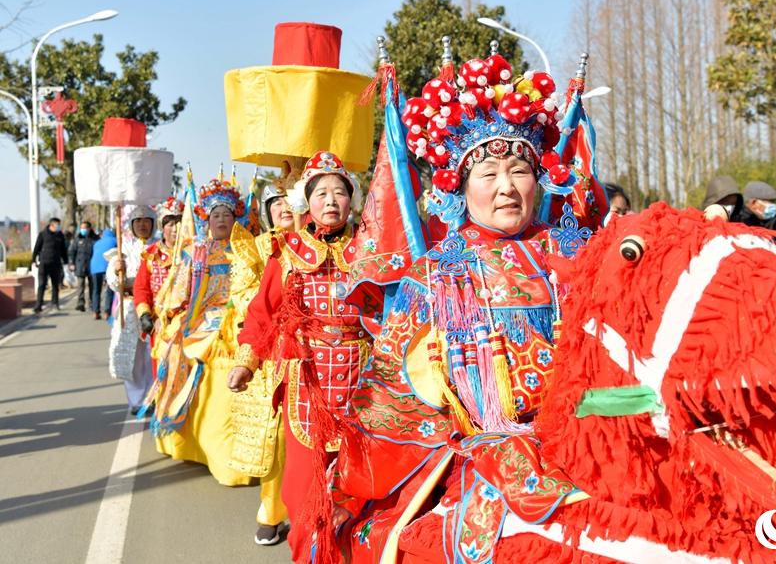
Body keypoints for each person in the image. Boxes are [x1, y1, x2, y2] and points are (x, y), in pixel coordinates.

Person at [330, 51, 600, 563]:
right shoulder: (435, 276)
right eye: (489, 173)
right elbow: (395, 399)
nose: (506, 187)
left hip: (589, 438)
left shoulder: (577, 254)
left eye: (519, 170)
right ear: (459, 184)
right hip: (482, 457)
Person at [230, 157, 384, 560]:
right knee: (302, 489)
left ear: (352, 199)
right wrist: (247, 361)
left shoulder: (373, 249)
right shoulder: (288, 253)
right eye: (320, 193)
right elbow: (263, 313)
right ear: (307, 202)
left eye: (338, 191)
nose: (330, 200)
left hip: (364, 382)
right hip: (308, 385)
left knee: (363, 486)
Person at [147, 177, 252, 487]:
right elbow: (179, 294)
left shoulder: (247, 250)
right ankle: (192, 443)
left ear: (237, 218)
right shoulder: (196, 252)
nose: (221, 220)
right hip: (201, 325)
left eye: (227, 215)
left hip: (239, 323)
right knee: (184, 360)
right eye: (216, 215)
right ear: (206, 218)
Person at [223, 184, 293, 546]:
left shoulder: (337, 242)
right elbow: (252, 304)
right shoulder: (257, 248)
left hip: (335, 359)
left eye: (289, 199)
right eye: (276, 203)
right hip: (275, 355)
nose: (284, 208)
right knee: (278, 440)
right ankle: (272, 510)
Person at [105, 206, 157, 414]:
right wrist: (116, 270)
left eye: (146, 220)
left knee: (153, 353)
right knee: (133, 356)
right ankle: (136, 400)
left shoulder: (160, 248)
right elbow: (112, 283)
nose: (142, 225)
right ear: (132, 225)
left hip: (154, 308)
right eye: (138, 221)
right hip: (129, 307)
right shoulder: (122, 250)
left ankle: (154, 397)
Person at [133, 197, 184, 375]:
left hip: (188, 324)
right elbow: (141, 289)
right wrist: (145, 314)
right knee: (162, 373)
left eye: (179, 222)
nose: (175, 229)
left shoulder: (194, 254)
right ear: (162, 227)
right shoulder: (150, 255)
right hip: (160, 323)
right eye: (170, 224)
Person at [31, 217, 68, 313]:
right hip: (44, 263)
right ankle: (38, 305)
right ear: (52, 224)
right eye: (57, 224)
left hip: (56, 263)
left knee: (55, 285)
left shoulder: (60, 235)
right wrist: (33, 260)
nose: (59, 226)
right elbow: (36, 248)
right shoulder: (43, 234)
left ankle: (55, 303)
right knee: (42, 284)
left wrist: (66, 262)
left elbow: (64, 250)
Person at [68, 221, 99, 312]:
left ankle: (92, 303)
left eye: (85, 228)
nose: (83, 230)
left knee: (92, 286)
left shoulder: (95, 239)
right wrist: (71, 263)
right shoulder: (77, 239)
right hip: (80, 265)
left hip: (92, 265)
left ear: (89, 228)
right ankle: (80, 303)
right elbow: (71, 252)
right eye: (82, 228)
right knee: (80, 286)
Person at [90, 228, 117, 320]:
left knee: (96, 290)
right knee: (110, 290)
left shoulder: (97, 243)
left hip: (95, 268)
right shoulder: (115, 240)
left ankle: (95, 312)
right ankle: (107, 312)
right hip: (108, 267)